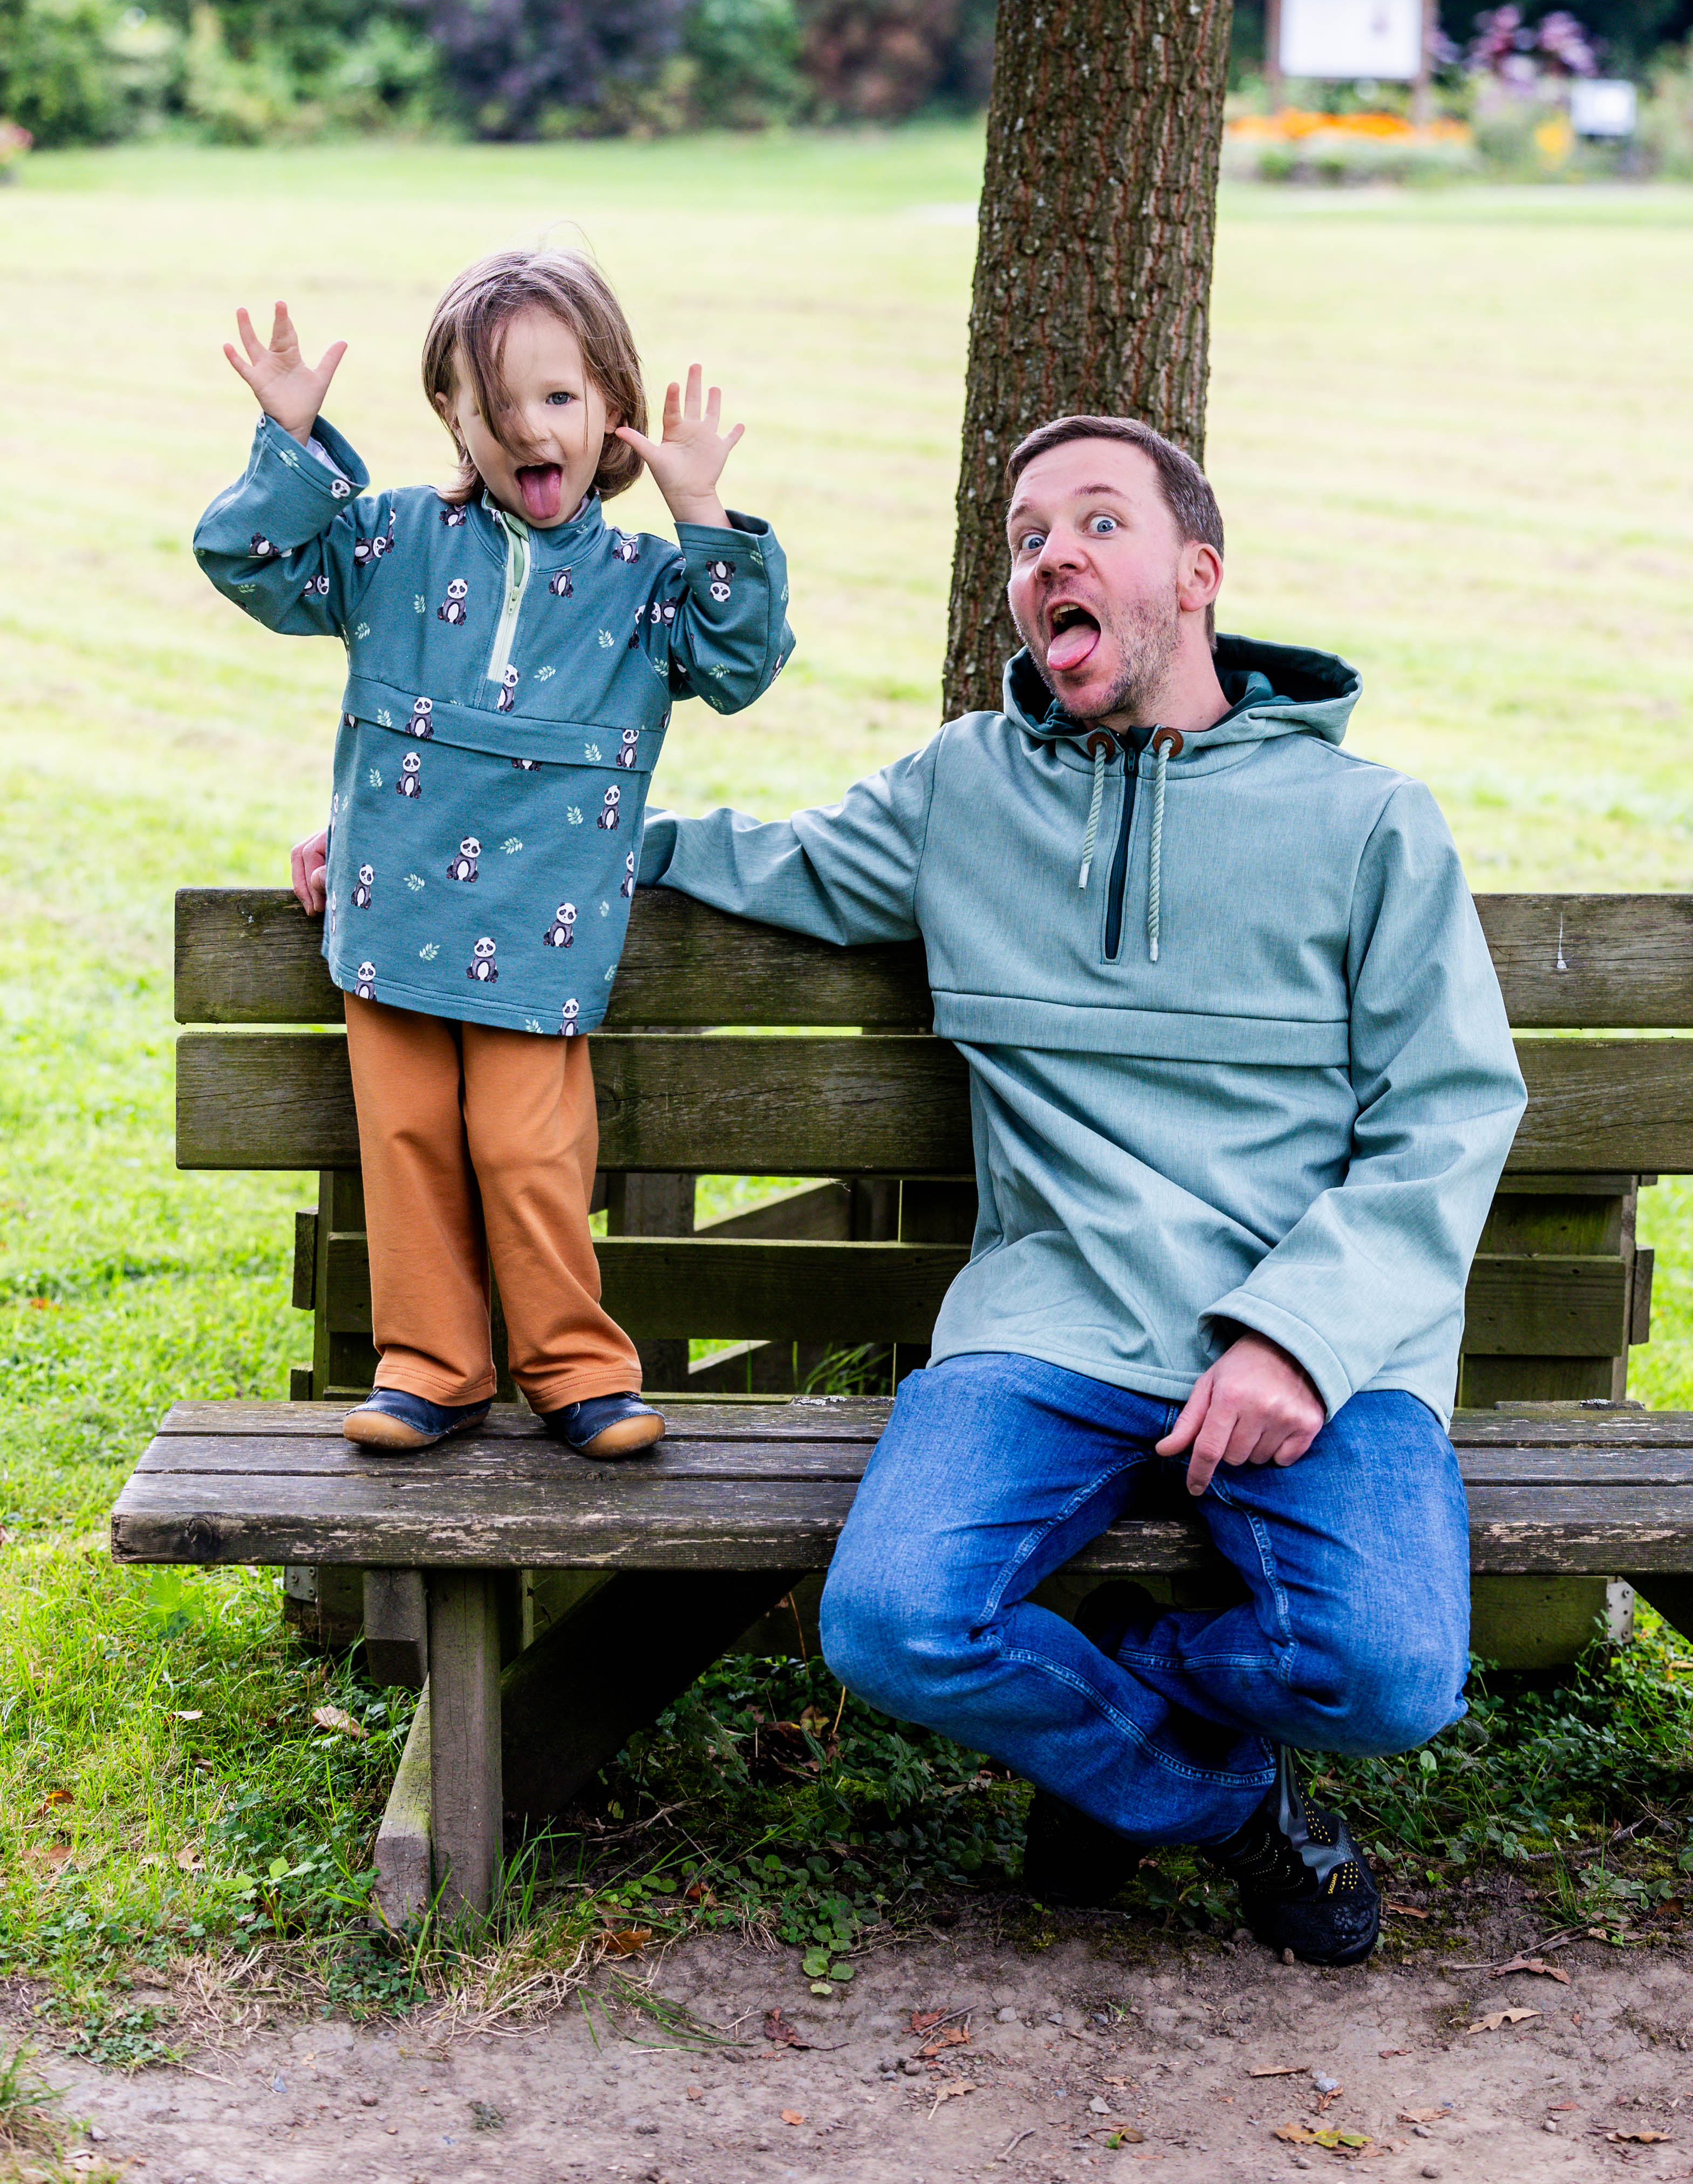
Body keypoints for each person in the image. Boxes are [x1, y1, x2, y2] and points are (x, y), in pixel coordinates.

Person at [630, 414, 1527, 1964]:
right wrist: (429, 850)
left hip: (1327, 1343)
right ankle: (1221, 1799)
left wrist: (1297, 1339)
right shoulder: (959, 794)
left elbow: (1449, 1115)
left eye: (1098, 523)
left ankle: (1118, 1720)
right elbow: (726, 857)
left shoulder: (1368, 822)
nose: (1052, 553)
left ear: (1196, 575)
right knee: (895, 1624)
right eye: (1030, 534)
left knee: (1389, 1679)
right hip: (1052, 1321)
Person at [196, 247, 794, 1459]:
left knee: (527, 1152)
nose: (532, 428)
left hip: (538, 943)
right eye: (496, 403)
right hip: (391, 929)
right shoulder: (392, 543)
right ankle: (431, 1365)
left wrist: (702, 513)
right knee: (408, 1144)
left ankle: (576, 1369)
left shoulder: (646, 585)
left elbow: (738, 667)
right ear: (449, 415)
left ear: (613, 411)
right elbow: (248, 563)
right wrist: (294, 443)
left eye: (561, 399)